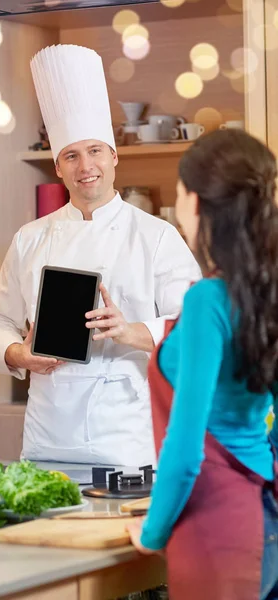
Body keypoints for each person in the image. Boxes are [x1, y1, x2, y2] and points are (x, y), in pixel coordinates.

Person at [0, 44, 200, 466]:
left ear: (114, 157)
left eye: (96, 151)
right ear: (58, 167)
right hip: (48, 432)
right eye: (71, 155)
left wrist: (129, 329)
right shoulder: (30, 238)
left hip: (127, 434)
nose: (86, 166)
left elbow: (192, 326)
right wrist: (16, 353)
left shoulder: (157, 235)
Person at [127, 129, 278, 600]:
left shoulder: (208, 301)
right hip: (263, 513)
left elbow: (186, 447)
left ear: (195, 202)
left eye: (178, 193)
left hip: (214, 527)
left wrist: (152, 532)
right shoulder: (266, 295)